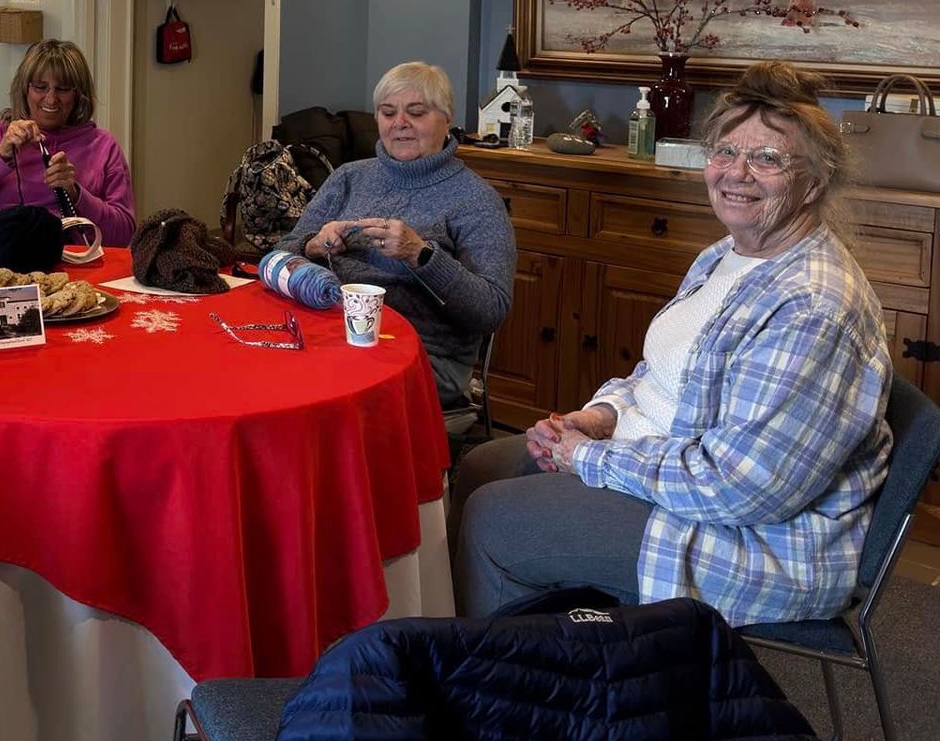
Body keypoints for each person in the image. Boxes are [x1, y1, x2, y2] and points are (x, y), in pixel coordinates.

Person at [452, 62, 893, 626]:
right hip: (670, 468)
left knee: (498, 518)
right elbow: (659, 373)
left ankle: (513, 694)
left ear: (817, 179)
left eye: (768, 158)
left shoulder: (812, 307)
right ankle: (535, 665)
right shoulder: (725, 254)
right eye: (725, 152)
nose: (737, 174)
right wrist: (603, 416)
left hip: (751, 541)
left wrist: (591, 458)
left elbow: (742, 487)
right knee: (483, 467)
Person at [274, 61, 514, 411]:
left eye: (415, 113)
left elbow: (490, 311)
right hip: (325, 336)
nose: (400, 123)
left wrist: (421, 256)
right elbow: (282, 254)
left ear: (446, 120)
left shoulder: (476, 200)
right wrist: (312, 245)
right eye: (388, 113)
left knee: (310, 392)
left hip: (425, 355)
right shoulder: (349, 178)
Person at [0, 39, 136, 246]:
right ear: (25, 89)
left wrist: (75, 194)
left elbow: (122, 236)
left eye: (63, 89)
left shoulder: (103, 146)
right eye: (40, 87)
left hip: (72, 270)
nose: (51, 100)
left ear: (79, 94)